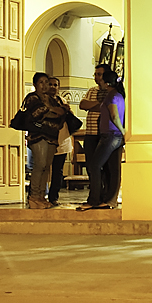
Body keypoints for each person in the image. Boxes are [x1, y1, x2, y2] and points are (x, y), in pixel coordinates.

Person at [20, 72, 70, 209]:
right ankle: (34, 196)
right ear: (35, 84)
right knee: (39, 164)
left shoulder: (52, 99)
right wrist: (53, 110)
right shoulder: (32, 98)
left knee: (47, 166)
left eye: (46, 82)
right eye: (41, 82)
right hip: (38, 136)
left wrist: (54, 110)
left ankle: (41, 196)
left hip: (52, 137)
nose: (45, 85)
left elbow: (61, 113)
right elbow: (38, 113)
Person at [78, 71, 125, 211]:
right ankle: (106, 200)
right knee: (106, 167)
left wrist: (123, 132)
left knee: (94, 166)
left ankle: (94, 200)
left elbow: (114, 115)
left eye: (100, 78)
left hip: (111, 135)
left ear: (106, 82)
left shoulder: (111, 96)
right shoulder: (118, 95)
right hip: (113, 135)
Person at [46, 76, 82, 206]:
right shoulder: (42, 101)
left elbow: (69, 117)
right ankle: (37, 195)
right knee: (43, 168)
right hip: (47, 139)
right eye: (50, 84)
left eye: (55, 85)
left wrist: (67, 110)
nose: (53, 87)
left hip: (62, 139)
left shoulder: (62, 100)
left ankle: (53, 196)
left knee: (58, 170)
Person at [79, 64, 110, 194]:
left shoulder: (111, 91)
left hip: (105, 135)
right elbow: (82, 104)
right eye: (95, 74)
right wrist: (98, 104)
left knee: (105, 166)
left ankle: (105, 193)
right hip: (90, 134)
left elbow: (107, 108)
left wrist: (93, 106)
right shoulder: (92, 90)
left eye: (99, 74)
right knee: (91, 165)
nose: (96, 77)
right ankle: (94, 192)